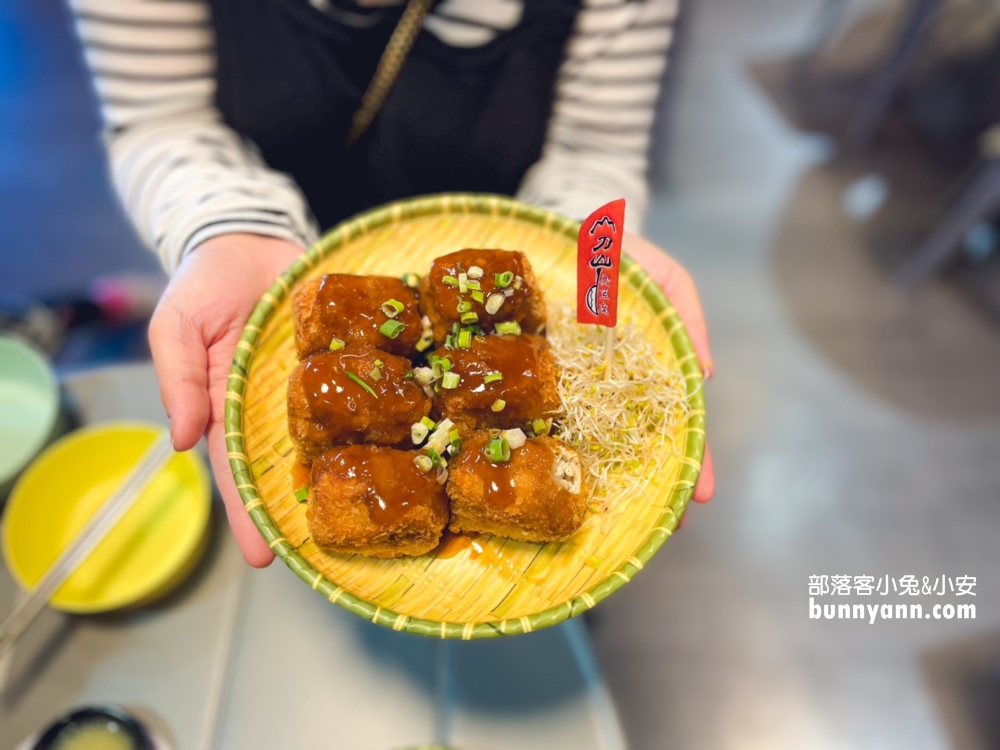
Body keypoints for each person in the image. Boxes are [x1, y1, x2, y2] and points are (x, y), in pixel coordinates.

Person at [72, 0, 715, 567]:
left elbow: (591, 149)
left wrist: (579, 237)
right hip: (288, 236)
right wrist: (225, 229)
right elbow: (160, 115)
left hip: (494, 230)